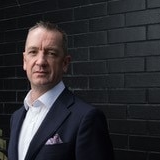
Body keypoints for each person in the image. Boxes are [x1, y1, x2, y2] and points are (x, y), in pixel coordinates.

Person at [8, 21, 114, 160]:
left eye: (51, 53)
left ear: (65, 63)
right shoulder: (16, 117)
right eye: (33, 52)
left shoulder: (86, 118)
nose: (40, 61)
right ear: (24, 61)